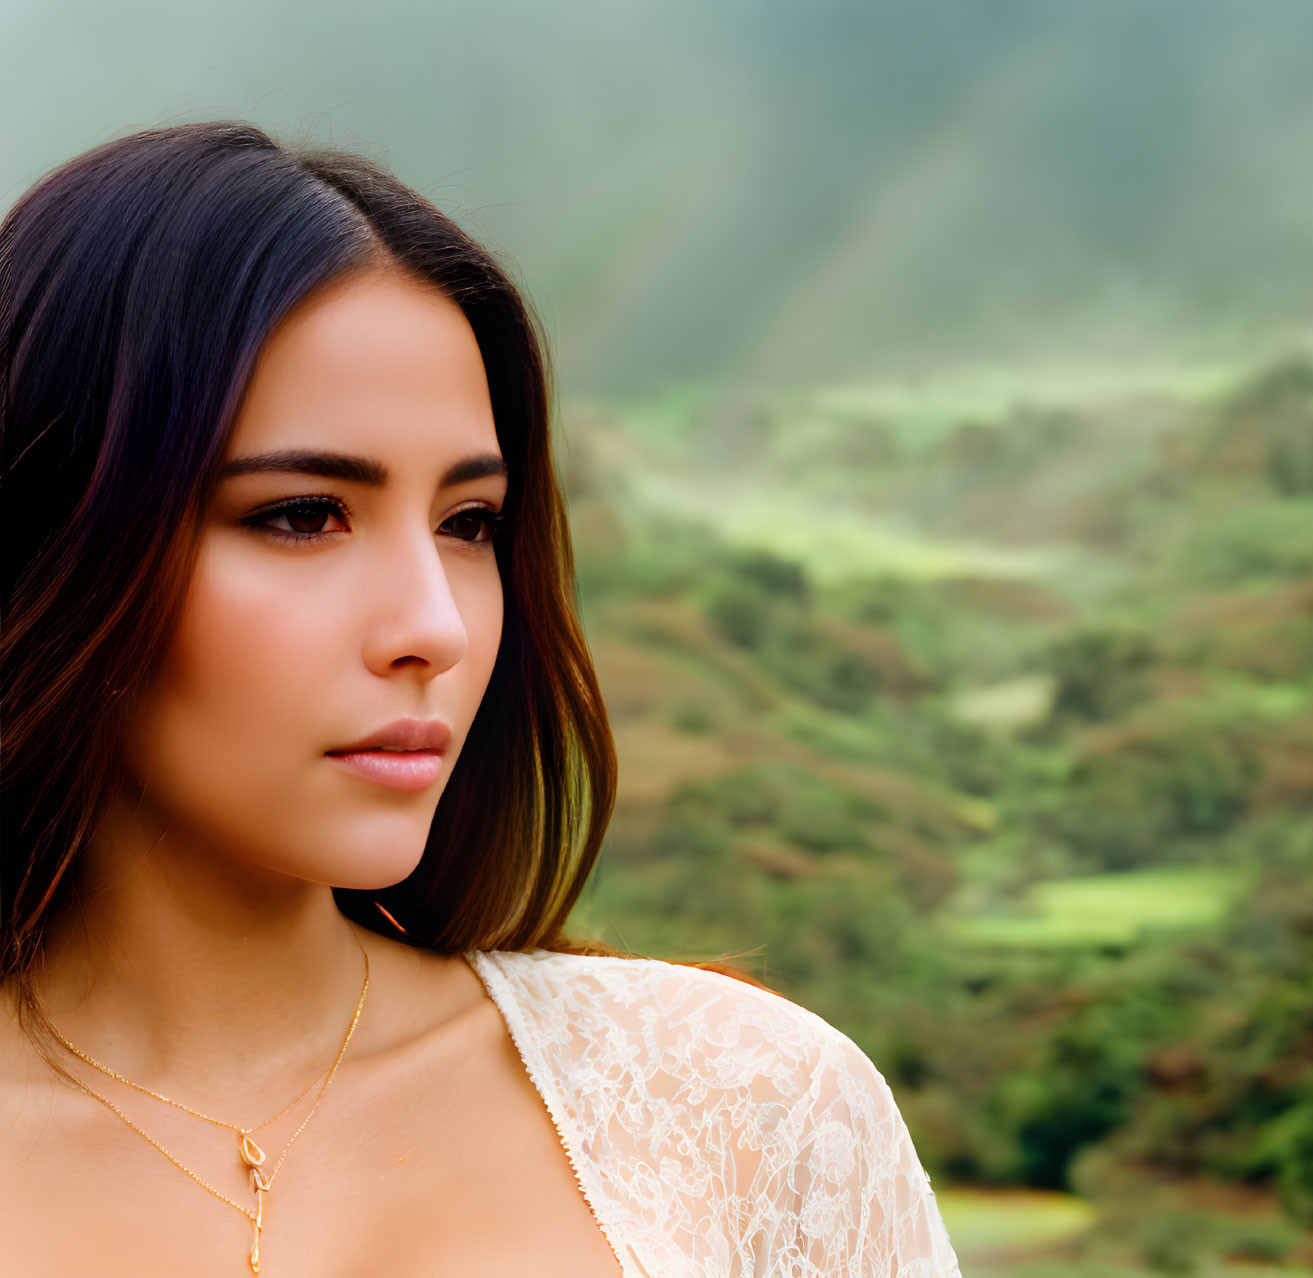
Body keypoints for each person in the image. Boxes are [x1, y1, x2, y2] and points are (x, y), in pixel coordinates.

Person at [0, 121, 963, 1277]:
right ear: (51, 542)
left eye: (470, 526)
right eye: (303, 513)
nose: (434, 628)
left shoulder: (744, 1115)